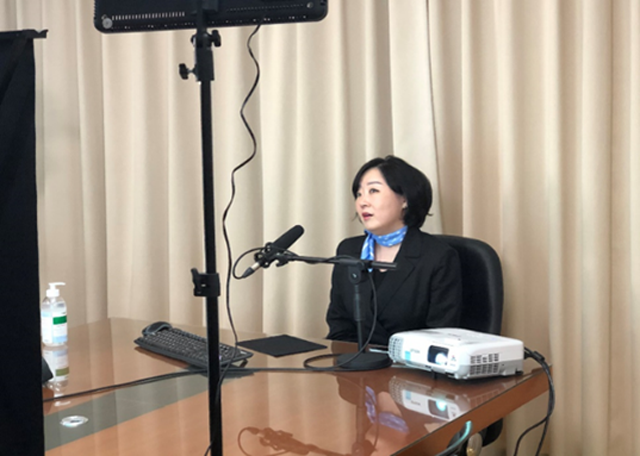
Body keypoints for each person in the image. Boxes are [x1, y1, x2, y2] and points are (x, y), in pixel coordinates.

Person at [326, 155, 463, 346]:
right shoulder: (349, 250)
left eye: (373, 191)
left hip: (410, 363)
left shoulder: (437, 257)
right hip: (354, 361)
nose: (363, 202)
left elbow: (441, 336)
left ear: (405, 199)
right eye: (359, 194)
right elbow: (339, 326)